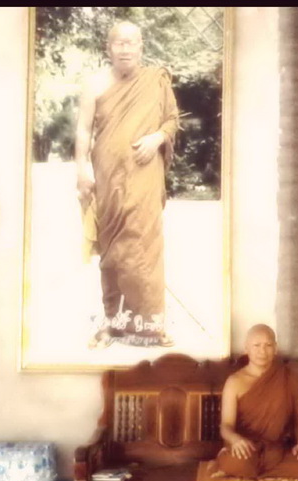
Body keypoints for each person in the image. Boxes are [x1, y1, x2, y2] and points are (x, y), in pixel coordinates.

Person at [75, 21, 179, 348]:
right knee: (112, 251)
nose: (125, 49)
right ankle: (111, 324)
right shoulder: (94, 84)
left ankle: (152, 326)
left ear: (141, 47)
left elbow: (172, 120)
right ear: (109, 48)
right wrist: (81, 170)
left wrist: (157, 138)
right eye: (119, 43)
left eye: (131, 42)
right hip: (107, 177)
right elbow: (83, 130)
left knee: (144, 249)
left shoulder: (155, 81)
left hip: (144, 177)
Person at [215, 324, 298, 480]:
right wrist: (236, 440)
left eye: (268, 345)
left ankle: (249, 474)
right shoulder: (235, 381)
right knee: (236, 463)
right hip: (246, 449)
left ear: (275, 348)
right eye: (256, 345)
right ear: (246, 348)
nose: (262, 351)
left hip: (278, 450)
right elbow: (226, 425)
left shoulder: (290, 378)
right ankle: (250, 471)